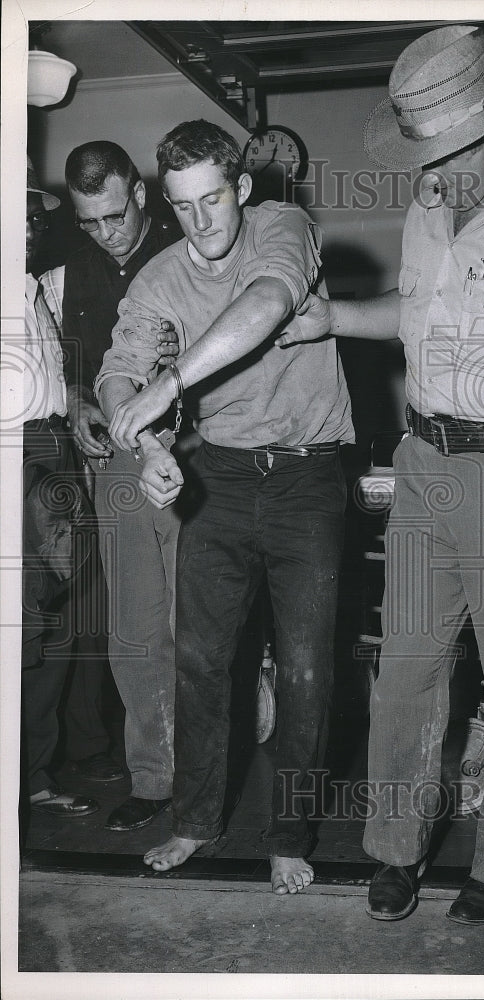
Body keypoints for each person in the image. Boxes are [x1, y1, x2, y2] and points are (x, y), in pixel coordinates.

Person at [112, 26, 484, 922]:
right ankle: (393, 851)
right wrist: (334, 320)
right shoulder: (432, 209)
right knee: (406, 675)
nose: (430, 172)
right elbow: (413, 314)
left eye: (446, 153)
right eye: (422, 152)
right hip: (425, 460)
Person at [98, 120, 354, 894]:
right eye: (182, 206)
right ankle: (194, 820)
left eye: (214, 200)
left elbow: (269, 303)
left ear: (241, 189)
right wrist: (150, 450)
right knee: (201, 660)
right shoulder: (158, 278)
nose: (201, 222)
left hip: (309, 477)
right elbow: (117, 375)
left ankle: (290, 834)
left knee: (307, 668)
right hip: (224, 475)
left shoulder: (284, 224)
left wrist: (167, 390)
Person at [42, 141, 182, 831]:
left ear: (141, 193)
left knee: (200, 627)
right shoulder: (70, 261)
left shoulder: (189, 242)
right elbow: (62, 364)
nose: (105, 232)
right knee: (134, 628)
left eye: (116, 216)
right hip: (120, 463)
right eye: (90, 221)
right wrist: (80, 406)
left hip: (198, 454)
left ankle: (208, 774)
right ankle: (155, 780)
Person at [21, 156, 98, 817]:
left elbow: (52, 380)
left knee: (58, 624)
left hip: (54, 448)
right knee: (22, 625)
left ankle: (36, 773)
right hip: (16, 455)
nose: (26, 225)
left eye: (31, 216)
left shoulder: (31, 290)